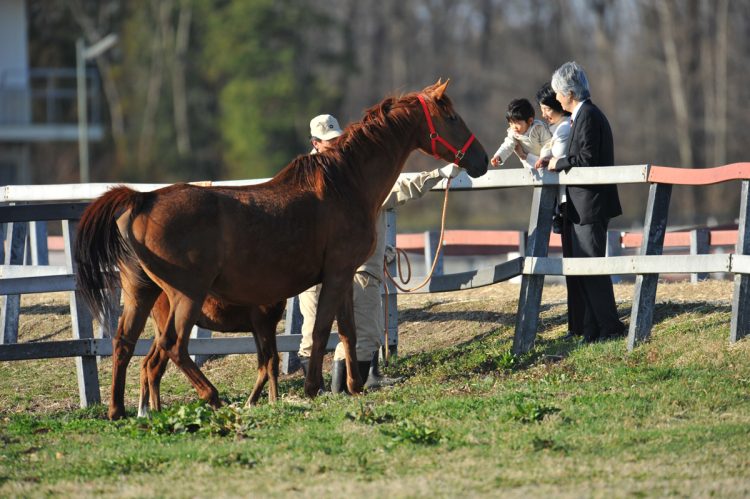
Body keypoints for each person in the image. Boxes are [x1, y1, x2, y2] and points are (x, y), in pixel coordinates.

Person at [297, 114, 464, 391]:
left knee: (363, 331)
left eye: (338, 139)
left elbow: (390, 191)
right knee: (314, 330)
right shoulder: (308, 176)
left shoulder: (351, 169)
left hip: (356, 265)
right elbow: (390, 193)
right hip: (317, 265)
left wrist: (436, 176)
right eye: (330, 142)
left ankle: (341, 394)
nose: (336, 144)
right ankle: (322, 392)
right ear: (315, 143)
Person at [547, 61, 625, 342]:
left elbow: (588, 159)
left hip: (590, 205)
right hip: (585, 205)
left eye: (558, 93)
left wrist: (559, 162)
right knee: (586, 271)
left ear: (569, 92)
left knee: (592, 270)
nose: (555, 98)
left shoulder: (588, 115)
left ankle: (611, 327)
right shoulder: (583, 115)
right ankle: (594, 329)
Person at [490, 98, 551, 168]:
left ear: (530, 121)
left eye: (517, 123)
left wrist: (543, 158)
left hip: (545, 162)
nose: (514, 127)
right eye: (511, 123)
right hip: (530, 165)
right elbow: (507, 146)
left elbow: (548, 144)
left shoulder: (539, 128)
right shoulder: (513, 133)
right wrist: (498, 156)